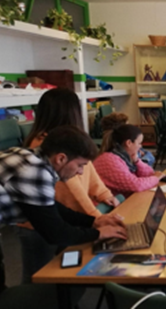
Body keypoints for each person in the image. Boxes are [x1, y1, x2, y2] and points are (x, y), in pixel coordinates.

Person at [0, 126, 127, 309]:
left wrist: (93, 221)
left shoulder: (27, 156)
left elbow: (50, 207)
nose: (81, 172)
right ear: (61, 158)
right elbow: (55, 233)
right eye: (80, 165)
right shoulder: (34, 171)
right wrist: (97, 234)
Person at [19, 88, 120, 284]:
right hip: (36, 224)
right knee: (37, 278)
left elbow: (87, 170)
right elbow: (72, 189)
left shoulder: (69, 145)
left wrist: (102, 195)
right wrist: (98, 220)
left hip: (57, 215)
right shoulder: (44, 150)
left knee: (58, 275)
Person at [94, 124, 165, 198]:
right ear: (129, 143)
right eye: (139, 143)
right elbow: (136, 185)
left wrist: (137, 161)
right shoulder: (109, 160)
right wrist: (156, 178)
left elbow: (150, 174)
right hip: (112, 206)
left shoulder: (123, 156)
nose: (141, 146)